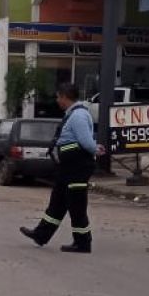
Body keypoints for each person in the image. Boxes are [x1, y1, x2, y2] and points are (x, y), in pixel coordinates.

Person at [20, 83, 102, 254]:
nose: (57, 101)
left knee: (76, 205)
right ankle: (41, 235)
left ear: (65, 97)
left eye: (58, 97)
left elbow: (86, 141)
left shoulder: (78, 115)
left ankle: (83, 243)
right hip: (68, 167)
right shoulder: (72, 114)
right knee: (57, 201)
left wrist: (95, 149)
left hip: (77, 167)